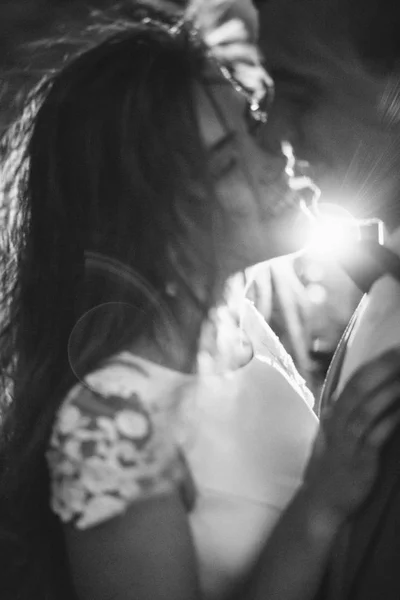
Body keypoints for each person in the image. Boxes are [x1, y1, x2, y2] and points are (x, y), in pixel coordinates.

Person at [0, 2, 400, 600]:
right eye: (226, 160)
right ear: (152, 213)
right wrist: (319, 504)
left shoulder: (241, 328)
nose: (277, 159)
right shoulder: (111, 417)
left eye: (254, 122)